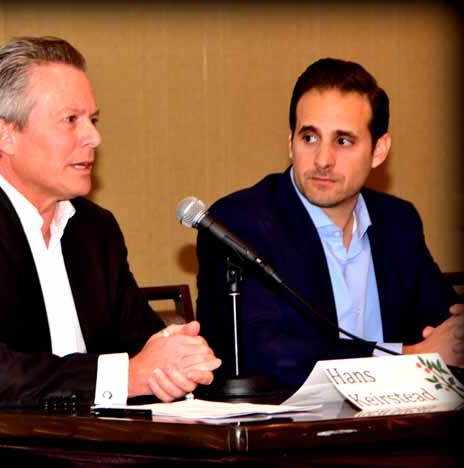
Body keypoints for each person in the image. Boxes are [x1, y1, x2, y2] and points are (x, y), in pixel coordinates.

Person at [0, 36, 221, 468]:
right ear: (6, 134)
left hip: (87, 461)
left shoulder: (94, 229)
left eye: (93, 119)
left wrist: (176, 357)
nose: (93, 137)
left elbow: (141, 343)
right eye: (71, 120)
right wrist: (128, 375)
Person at [195, 57, 463, 392]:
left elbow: (443, 324)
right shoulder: (239, 222)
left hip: (400, 419)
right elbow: (268, 356)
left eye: (343, 141)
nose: (323, 160)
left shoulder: (398, 222)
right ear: (290, 142)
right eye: (309, 138)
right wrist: (408, 359)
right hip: (286, 422)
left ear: (379, 150)